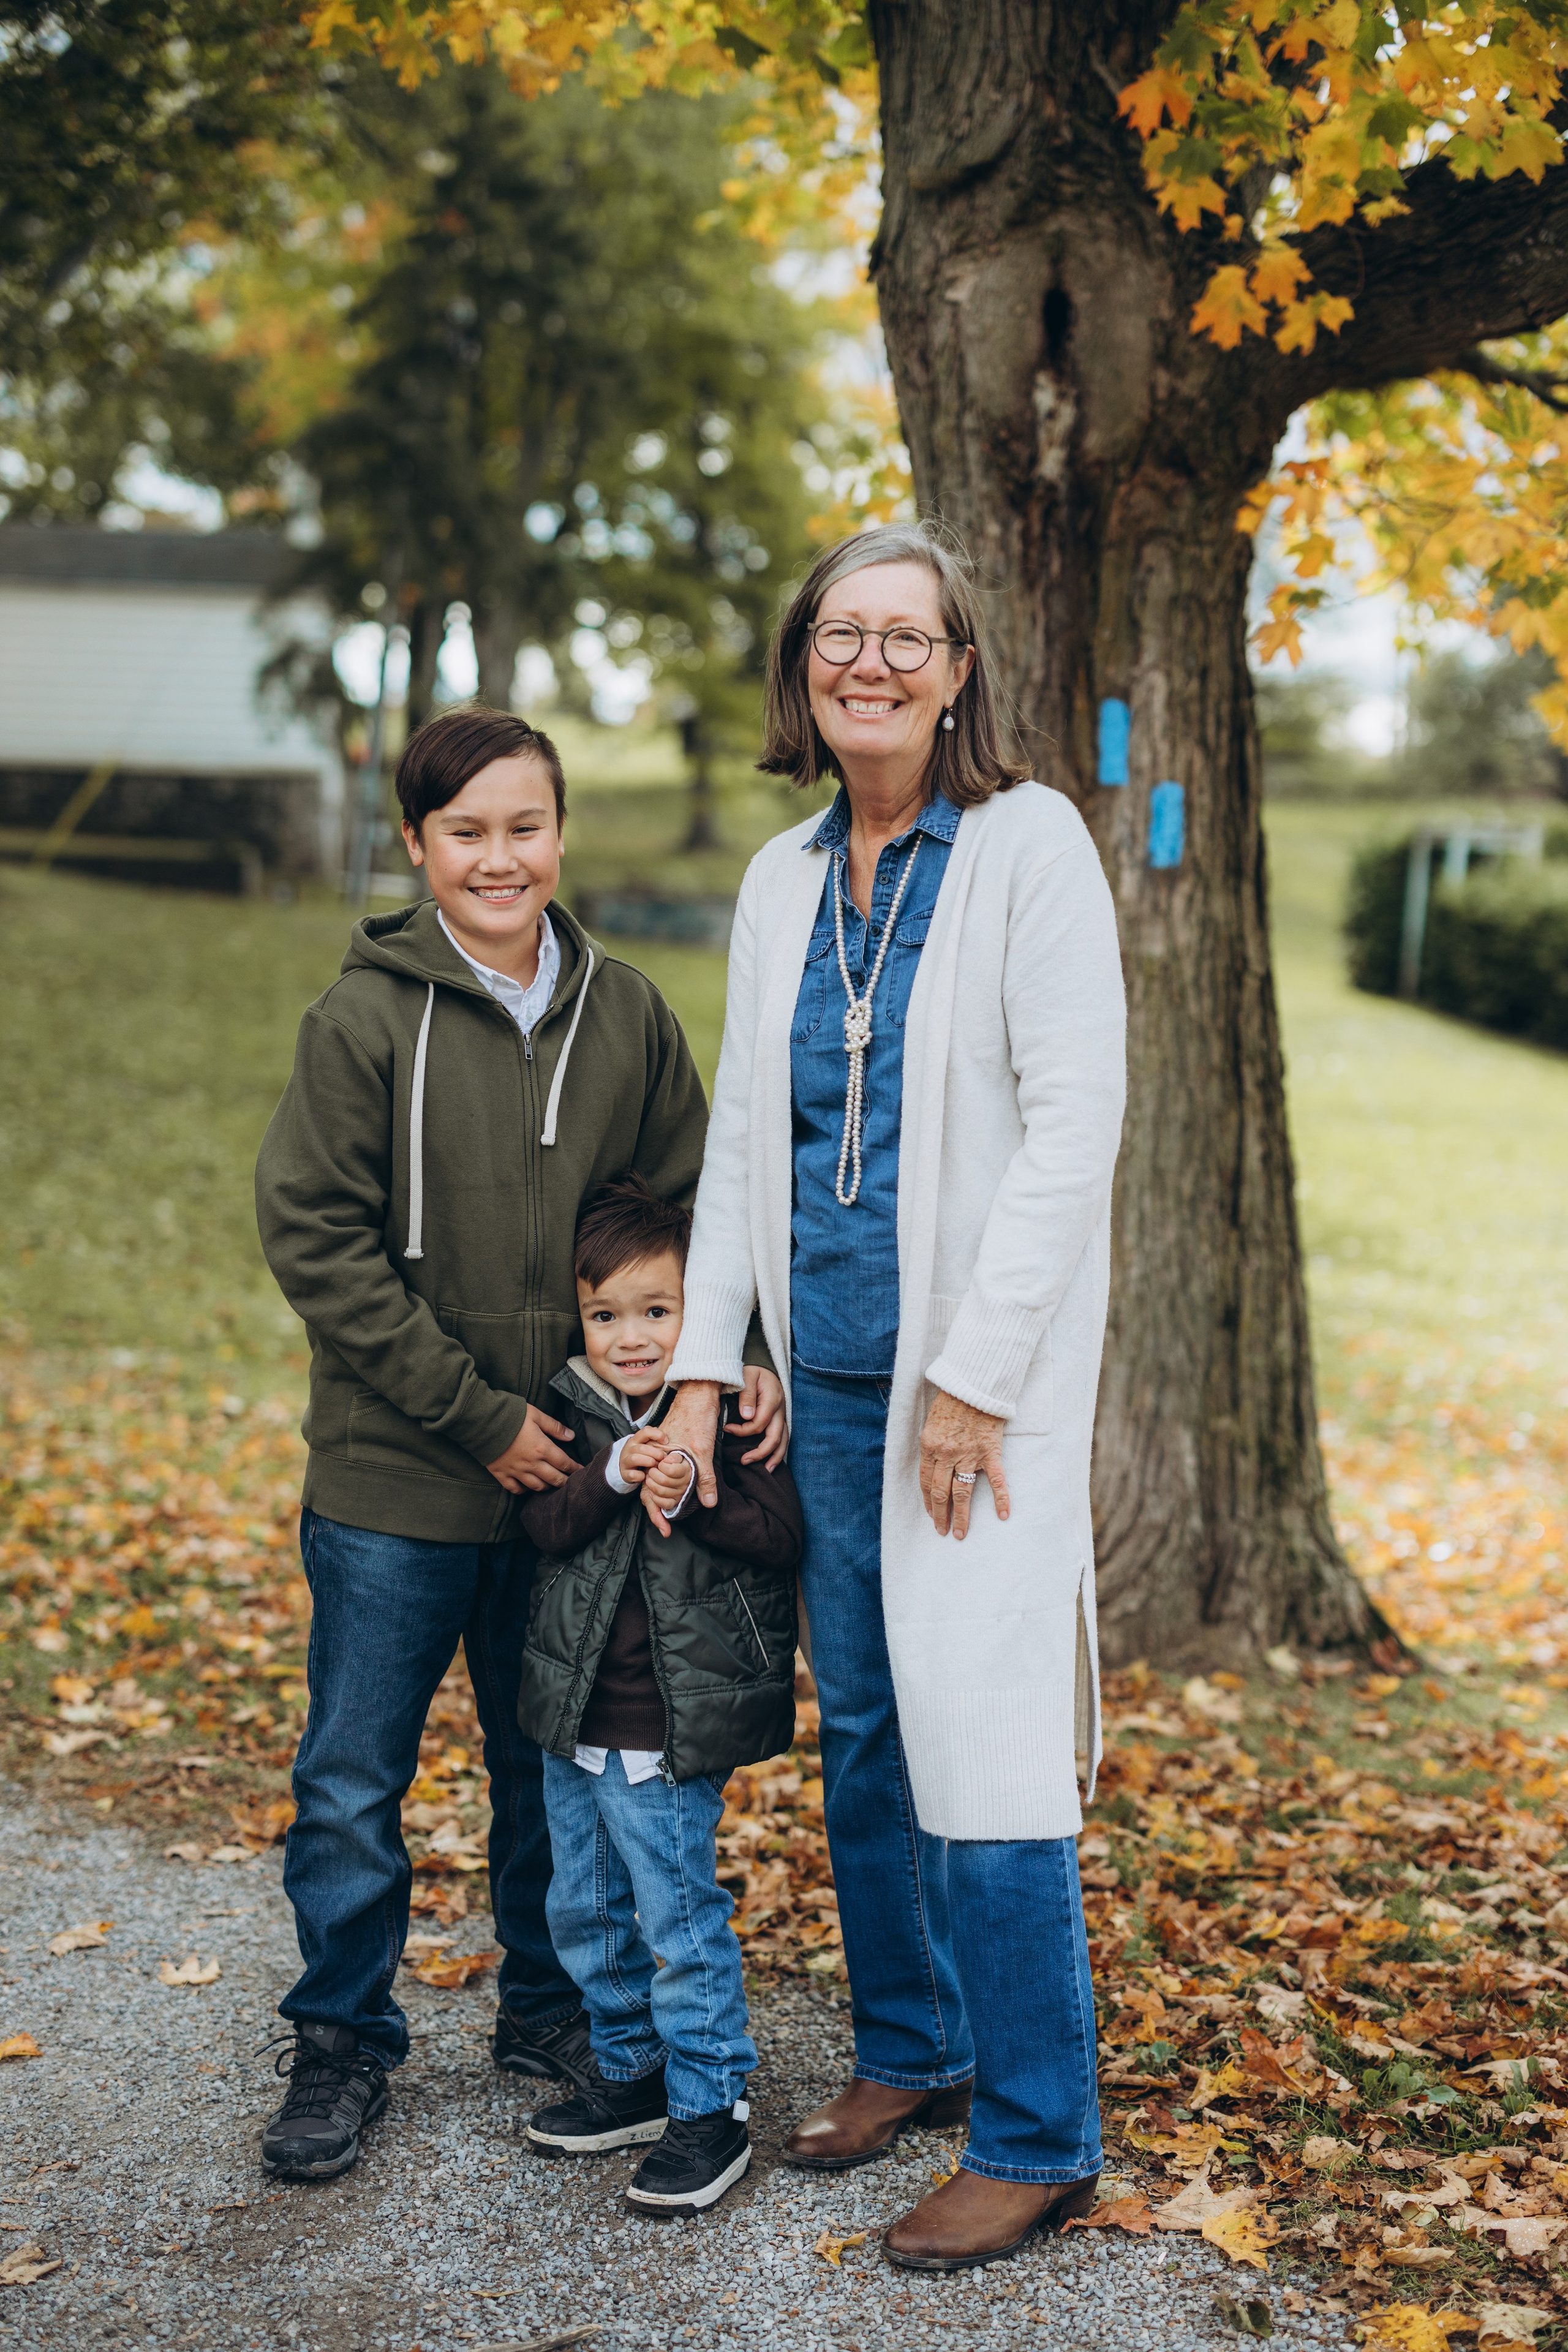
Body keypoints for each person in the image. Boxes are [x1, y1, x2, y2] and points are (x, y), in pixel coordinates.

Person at [653, 522, 1128, 2270]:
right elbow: (739, 1149)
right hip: (823, 1391)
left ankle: (1038, 2131)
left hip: (970, 1401)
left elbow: (1075, 1133)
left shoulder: (1028, 850)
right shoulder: (781, 878)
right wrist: (709, 1366)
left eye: (904, 636)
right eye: (841, 633)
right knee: (863, 1729)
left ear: (960, 668)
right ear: (806, 666)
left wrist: (974, 1382)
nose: (870, 661)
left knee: (985, 1741)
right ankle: (913, 2052)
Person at [254, 706, 784, 2182]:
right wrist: (482, 1418)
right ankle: (341, 2040)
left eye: (525, 826)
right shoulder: (361, 1020)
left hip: (587, 1484)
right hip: (400, 1476)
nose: (500, 856)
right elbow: (314, 1232)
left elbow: (704, 1221)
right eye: (466, 831)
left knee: (547, 1757)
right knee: (353, 1778)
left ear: (561, 834)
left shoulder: (627, 1018)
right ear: (417, 844)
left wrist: (713, 1368)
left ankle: (560, 2018)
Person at [512, 1176, 803, 2214]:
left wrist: (699, 1487)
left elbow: (781, 1538)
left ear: (701, 1315)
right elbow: (543, 1530)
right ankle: (630, 2073)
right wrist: (614, 1476)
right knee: (585, 1911)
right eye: (605, 1315)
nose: (630, 1339)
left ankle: (710, 2107)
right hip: (574, 1715)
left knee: (678, 1920)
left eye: (657, 1312)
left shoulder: (730, 1408)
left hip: (665, 1725)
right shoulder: (571, 1404)